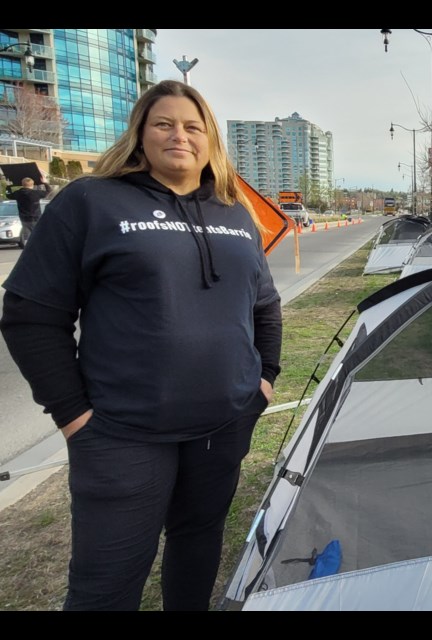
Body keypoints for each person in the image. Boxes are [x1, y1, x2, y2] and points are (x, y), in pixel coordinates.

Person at [0, 80, 283, 610]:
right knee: (105, 585)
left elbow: (264, 305)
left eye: (193, 126)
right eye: (164, 123)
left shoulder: (233, 211)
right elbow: (30, 314)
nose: (180, 135)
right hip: (122, 435)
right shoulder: (91, 200)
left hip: (222, 428)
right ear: (140, 134)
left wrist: (263, 382)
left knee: (197, 551)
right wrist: (73, 415)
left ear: (211, 141)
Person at [5, 175, 49, 246]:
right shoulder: (36, 193)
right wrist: (45, 183)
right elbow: (49, 191)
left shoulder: (18, 193)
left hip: (24, 219)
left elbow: (8, 195)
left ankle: (27, 249)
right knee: (38, 235)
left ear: (22, 184)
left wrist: (8, 186)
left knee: (26, 236)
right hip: (36, 218)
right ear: (33, 184)